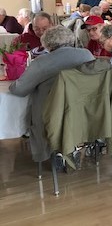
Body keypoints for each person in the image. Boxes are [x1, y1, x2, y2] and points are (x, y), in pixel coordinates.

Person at [9, 26, 95, 163]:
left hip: (52, 115)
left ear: (46, 44)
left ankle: (54, 151)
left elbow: (19, 90)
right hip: (86, 111)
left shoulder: (42, 62)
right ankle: (70, 148)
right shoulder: (87, 55)